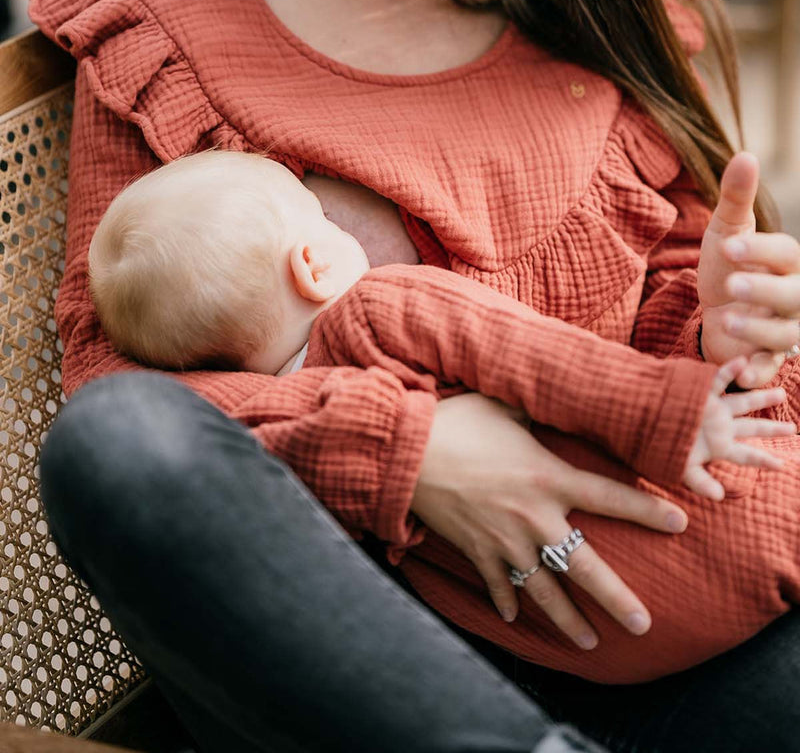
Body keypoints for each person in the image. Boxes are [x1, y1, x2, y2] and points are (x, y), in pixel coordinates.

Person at [27, 0, 800, 748]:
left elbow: (693, 379)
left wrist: (719, 333)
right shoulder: (167, 26)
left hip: (660, 628)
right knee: (114, 450)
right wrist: (410, 452)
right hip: (360, 659)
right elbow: (123, 392)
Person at [85, 145, 800, 683]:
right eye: (324, 218)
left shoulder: (308, 465)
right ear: (315, 263)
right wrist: (672, 411)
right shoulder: (380, 305)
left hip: (610, 646)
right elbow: (539, 357)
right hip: (713, 537)